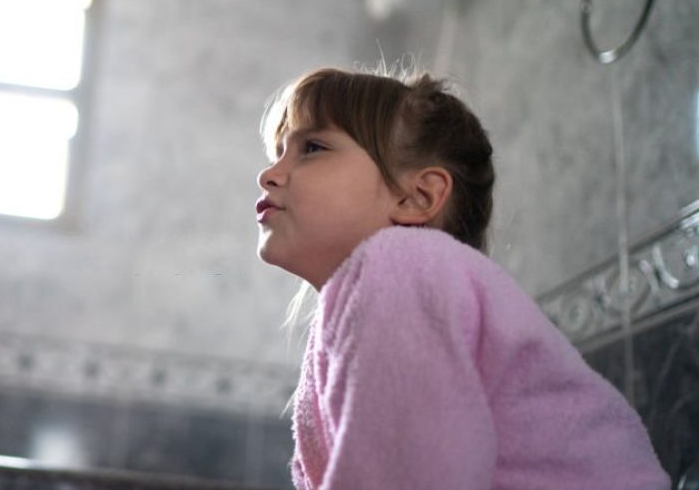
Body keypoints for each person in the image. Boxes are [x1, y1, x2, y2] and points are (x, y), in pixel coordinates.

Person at [255, 66, 669, 489]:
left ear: (417, 197)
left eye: (312, 147)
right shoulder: (364, 305)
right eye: (278, 152)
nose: (269, 174)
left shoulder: (401, 267)